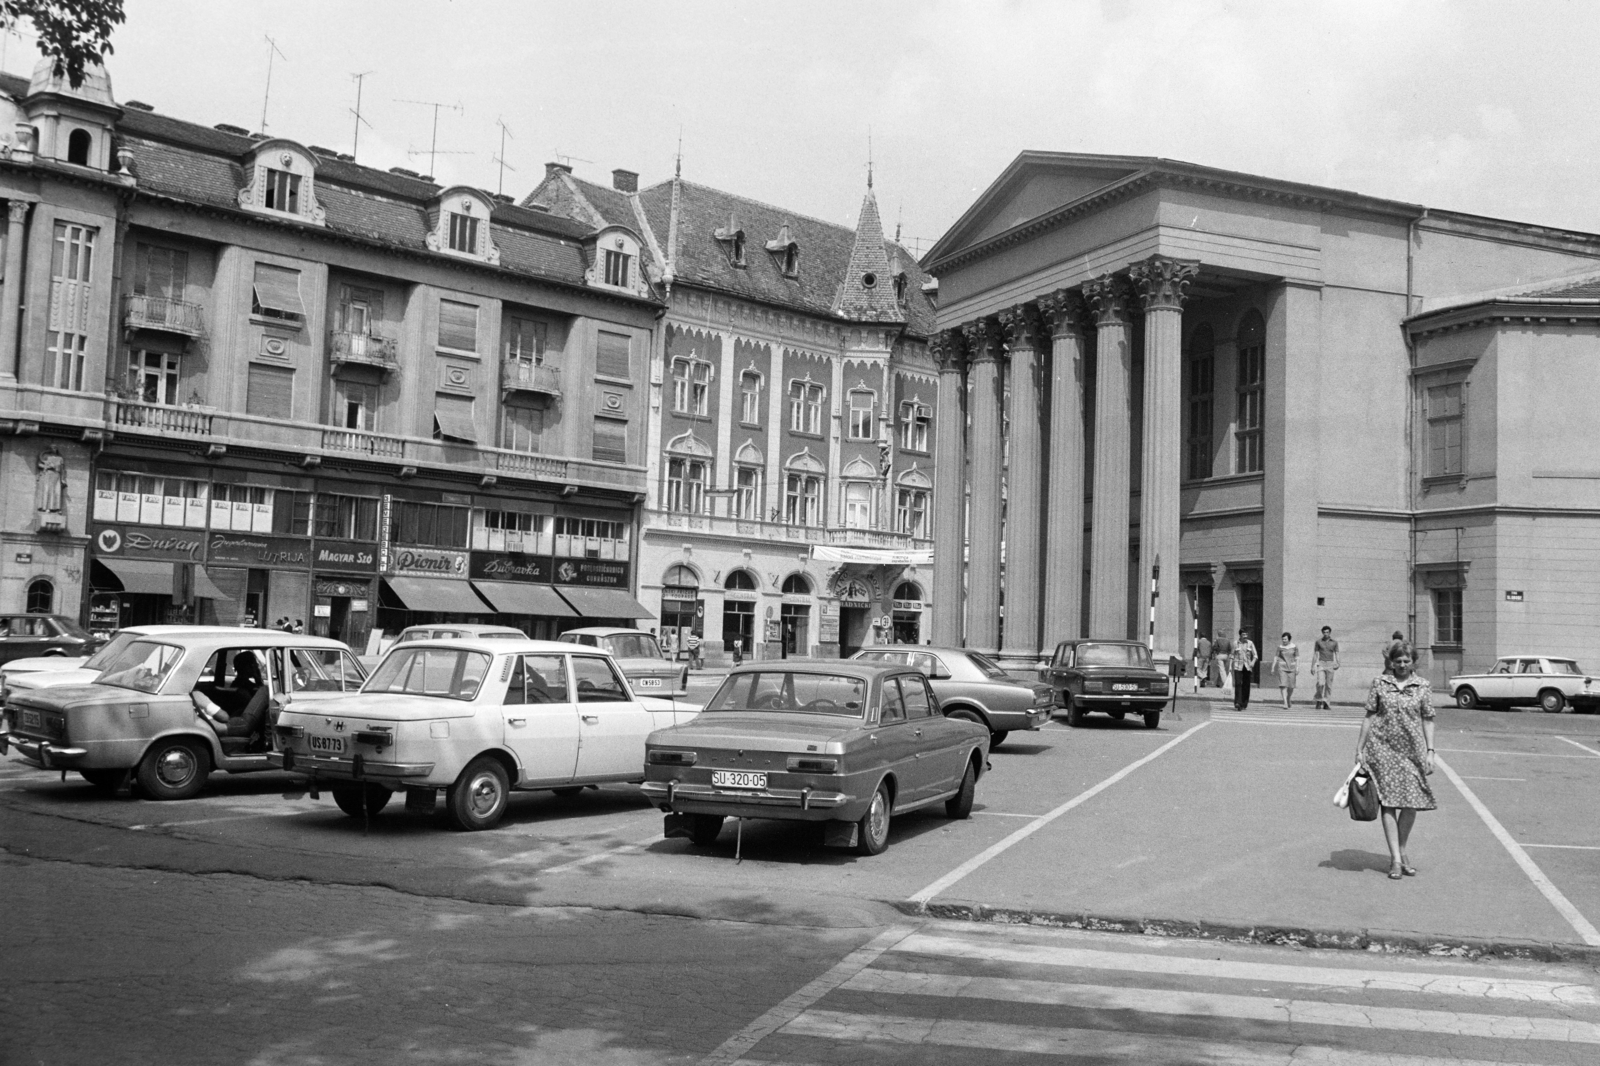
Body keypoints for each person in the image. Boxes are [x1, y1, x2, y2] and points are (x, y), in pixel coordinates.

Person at [1357, 642, 1436, 880]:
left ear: (1413, 663)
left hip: (1412, 752)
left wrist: (1430, 751)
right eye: (1398, 661)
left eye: (1406, 661)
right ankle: (1396, 859)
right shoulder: (1380, 683)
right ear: (1391, 662)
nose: (1402, 665)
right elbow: (1370, 715)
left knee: (1411, 804)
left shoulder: (1423, 686)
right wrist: (1359, 749)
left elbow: (1428, 719)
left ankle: (1401, 851)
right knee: (1389, 803)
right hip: (1382, 750)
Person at [1313, 626, 1341, 709]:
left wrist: (1338, 663)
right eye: (1324, 632)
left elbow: (1337, 653)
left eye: (1327, 632)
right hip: (1321, 663)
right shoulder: (1318, 642)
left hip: (1330, 664)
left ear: (1330, 633)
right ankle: (1318, 700)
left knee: (1329, 685)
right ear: (1322, 633)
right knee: (1320, 683)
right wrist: (1312, 666)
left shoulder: (1334, 642)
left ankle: (1326, 702)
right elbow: (1315, 654)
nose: (1326, 634)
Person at [1230, 629, 1258, 711]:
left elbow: (1255, 655)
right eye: (1243, 634)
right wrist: (1230, 667)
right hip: (1237, 666)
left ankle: (1244, 703)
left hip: (1247, 666)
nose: (1245, 636)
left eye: (1246, 634)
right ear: (1240, 635)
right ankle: (1238, 702)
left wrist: (1253, 662)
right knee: (1238, 683)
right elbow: (1232, 655)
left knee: (1246, 685)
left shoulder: (1250, 643)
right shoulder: (1235, 643)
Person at [1272, 631, 1299, 709]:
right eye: (1283, 639)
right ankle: (1285, 703)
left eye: (1285, 639)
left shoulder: (1294, 647)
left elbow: (1297, 658)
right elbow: (1276, 657)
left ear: (1289, 639)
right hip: (1282, 667)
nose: (1284, 641)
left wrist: (1297, 668)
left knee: (1291, 686)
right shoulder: (1280, 647)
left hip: (1292, 667)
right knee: (1283, 685)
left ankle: (1288, 698)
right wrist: (1273, 667)